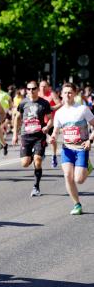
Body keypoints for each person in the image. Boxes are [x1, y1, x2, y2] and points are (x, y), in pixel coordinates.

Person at [50, 82, 94, 215]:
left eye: (70, 92)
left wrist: (90, 140)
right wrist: (52, 137)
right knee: (67, 176)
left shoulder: (82, 109)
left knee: (79, 180)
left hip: (81, 148)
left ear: (75, 94)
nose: (67, 95)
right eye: (65, 92)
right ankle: (77, 204)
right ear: (61, 95)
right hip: (67, 148)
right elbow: (56, 130)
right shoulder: (59, 113)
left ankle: (88, 166)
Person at [12, 81, 52, 197]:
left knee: (38, 160)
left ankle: (36, 186)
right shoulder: (23, 102)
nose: (31, 91)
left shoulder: (44, 103)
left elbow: (50, 119)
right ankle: (35, 156)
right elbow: (17, 118)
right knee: (24, 163)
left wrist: (47, 127)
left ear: (37, 89)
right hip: (26, 135)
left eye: (33, 88)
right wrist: (15, 134)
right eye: (29, 89)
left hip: (39, 135)